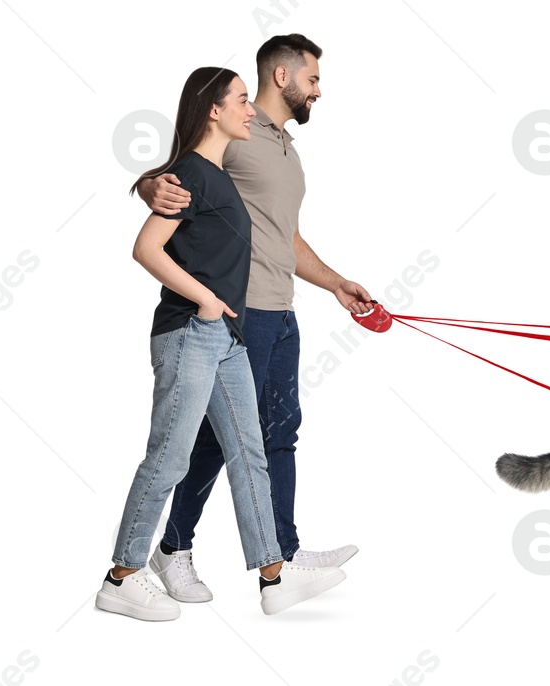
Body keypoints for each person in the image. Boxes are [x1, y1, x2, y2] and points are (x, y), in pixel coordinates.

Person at [100, 66, 345, 621]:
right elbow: (147, 248)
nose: (248, 109)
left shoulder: (218, 174)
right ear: (214, 109)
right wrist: (206, 300)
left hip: (227, 332)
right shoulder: (192, 171)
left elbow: (271, 231)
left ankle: (275, 576)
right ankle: (122, 576)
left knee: (251, 453)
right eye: (239, 100)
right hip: (192, 330)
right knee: (170, 456)